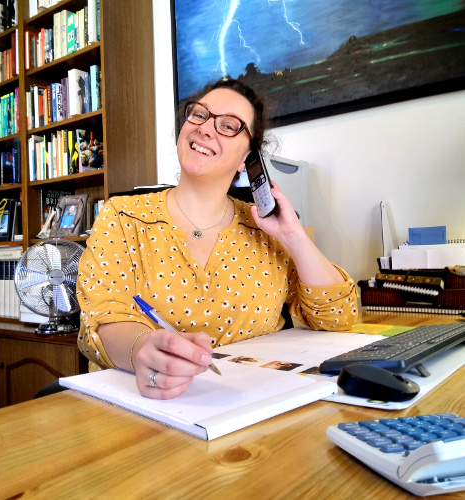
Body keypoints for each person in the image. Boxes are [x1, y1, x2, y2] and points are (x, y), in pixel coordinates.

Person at [77, 78, 358, 400]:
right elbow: (101, 316)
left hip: (246, 408)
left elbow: (339, 317)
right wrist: (142, 349)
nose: (205, 128)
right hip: (143, 405)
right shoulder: (123, 215)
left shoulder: (264, 229)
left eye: (228, 126)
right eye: (199, 115)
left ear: (248, 159)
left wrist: (293, 236)